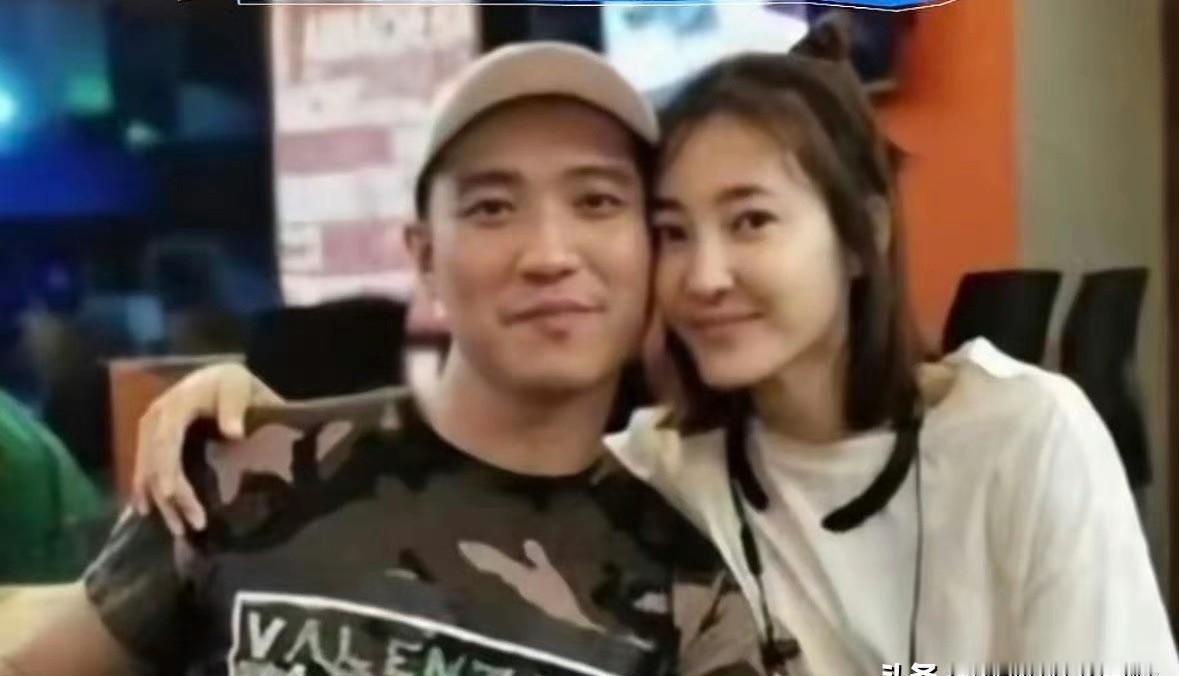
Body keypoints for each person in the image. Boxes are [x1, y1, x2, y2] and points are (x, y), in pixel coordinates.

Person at [95, 22, 1179, 676]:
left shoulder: (1023, 437)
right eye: (671, 230)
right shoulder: (664, 470)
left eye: (750, 221)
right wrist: (248, 405)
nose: (703, 275)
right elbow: (469, 453)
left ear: (861, 234)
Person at [0, 43, 761, 676]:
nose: (549, 254)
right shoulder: (248, 472)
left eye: (596, 201)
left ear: (653, 246)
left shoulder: (690, 596)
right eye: (492, 207)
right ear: (425, 256)